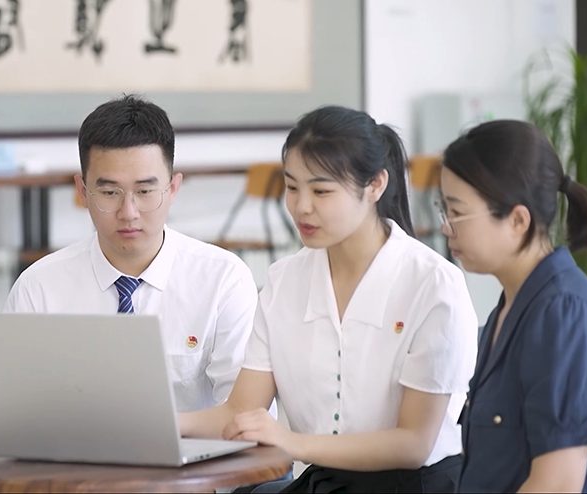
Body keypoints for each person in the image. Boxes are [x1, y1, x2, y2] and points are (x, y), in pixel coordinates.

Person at [180, 106, 478, 493]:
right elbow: (240, 411)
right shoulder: (284, 281)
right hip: (325, 483)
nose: (301, 206)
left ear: (375, 185)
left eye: (321, 191)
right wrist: (153, 426)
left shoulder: (433, 284)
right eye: (291, 187)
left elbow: (413, 444)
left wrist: (291, 442)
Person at [0, 95, 258, 439]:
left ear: (173, 189)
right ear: (83, 191)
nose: (129, 212)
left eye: (145, 191)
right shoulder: (39, 287)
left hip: (194, 467)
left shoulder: (223, 280)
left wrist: (145, 432)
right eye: (110, 193)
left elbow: (247, 416)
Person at [441, 120, 587, 492]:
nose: (446, 227)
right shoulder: (509, 307)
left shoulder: (563, 314)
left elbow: (557, 484)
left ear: (518, 220)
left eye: (457, 212)